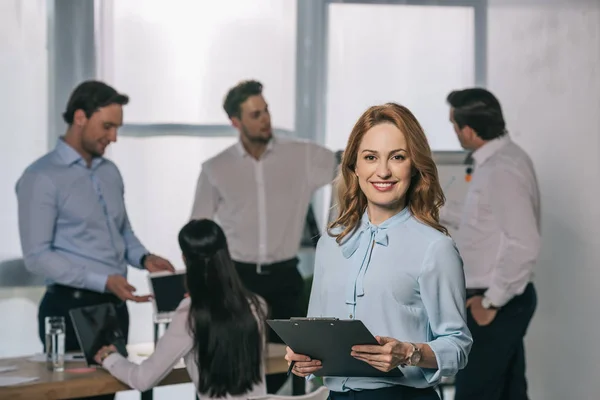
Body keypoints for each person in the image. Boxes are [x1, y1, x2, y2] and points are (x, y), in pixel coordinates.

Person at [285, 103, 473, 399]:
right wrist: (303, 359)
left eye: (397, 157)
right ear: (355, 167)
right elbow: (315, 331)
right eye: (370, 157)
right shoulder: (330, 243)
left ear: (414, 166)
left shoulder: (435, 248)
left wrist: (408, 353)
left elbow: (458, 346)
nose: (383, 171)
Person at [16, 80, 175, 400]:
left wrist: (145, 259)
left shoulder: (110, 172)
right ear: (79, 117)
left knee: (107, 395)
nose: (113, 137)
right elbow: (36, 255)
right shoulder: (40, 177)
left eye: (117, 128)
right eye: (107, 126)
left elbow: (123, 232)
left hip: (114, 308)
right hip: (70, 310)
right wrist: (104, 281)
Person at [190, 80, 337, 392]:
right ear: (236, 121)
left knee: (296, 366)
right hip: (237, 282)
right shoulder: (216, 168)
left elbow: (350, 171)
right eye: (255, 114)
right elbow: (197, 230)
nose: (265, 119)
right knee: (238, 369)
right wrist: (200, 284)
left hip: (286, 278)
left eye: (266, 111)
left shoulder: (303, 156)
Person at [94, 219, 267, 399]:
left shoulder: (191, 313)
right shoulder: (256, 304)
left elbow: (142, 379)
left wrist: (109, 357)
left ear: (185, 259)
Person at [445, 88, 540, 400]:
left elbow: (524, 242)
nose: (455, 132)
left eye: (454, 126)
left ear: (469, 131)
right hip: (502, 300)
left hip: (495, 303)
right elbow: (484, 221)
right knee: (509, 393)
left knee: (475, 393)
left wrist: (490, 302)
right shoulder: (501, 159)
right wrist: (433, 209)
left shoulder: (502, 169)